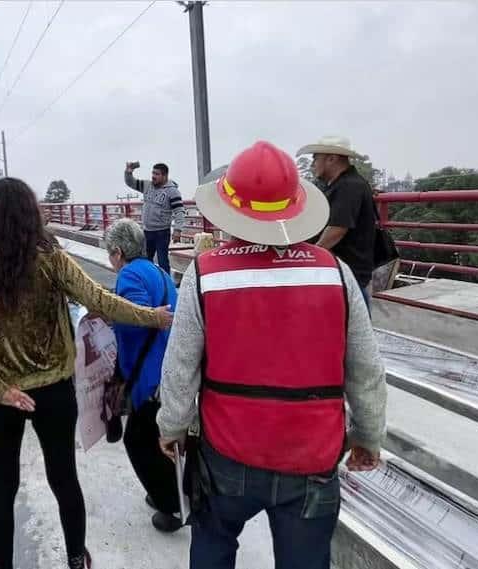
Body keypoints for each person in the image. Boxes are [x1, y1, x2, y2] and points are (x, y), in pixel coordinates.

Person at [156, 141, 387, 569]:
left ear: (228, 208)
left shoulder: (204, 274)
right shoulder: (333, 272)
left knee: (212, 547)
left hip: (227, 453)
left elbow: (181, 365)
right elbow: (366, 369)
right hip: (312, 457)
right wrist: (368, 436)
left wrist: (171, 425)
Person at [0, 177, 174, 569]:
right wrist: (152, 317)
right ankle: (75, 558)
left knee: (2, 487)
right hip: (53, 392)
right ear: (30, 215)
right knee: (64, 479)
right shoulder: (50, 259)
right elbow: (101, 299)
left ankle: (2, 563)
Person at [101, 218, 182, 533]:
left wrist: (107, 315)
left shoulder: (130, 274)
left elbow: (134, 318)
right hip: (169, 369)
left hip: (149, 376)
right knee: (161, 439)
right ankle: (172, 492)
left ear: (119, 252)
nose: (111, 261)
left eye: (110, 255)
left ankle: (169, 506)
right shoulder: (159, 271)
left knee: (138, 440)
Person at [297, 136, 377, 309]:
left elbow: (337, 229)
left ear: (331, 159)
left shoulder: (349, 186)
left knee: (351, 325)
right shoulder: (336, 184)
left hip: (349, 273)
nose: (313, 164)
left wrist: (310, 257)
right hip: (339, 271)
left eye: (316, 158)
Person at [123, 161, 188, 274]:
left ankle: (166, 285)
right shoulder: (147, 185)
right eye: (153, 173)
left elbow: (179, 211)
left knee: (163, 261)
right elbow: (131, 182)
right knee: (146, 260)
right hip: (147, 231)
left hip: (162, 232)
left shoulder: (172, 191)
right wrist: (129, 171)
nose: (153, 176)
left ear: (164, 176)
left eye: (157, 174)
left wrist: (178, 230)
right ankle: (149, 281)